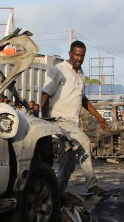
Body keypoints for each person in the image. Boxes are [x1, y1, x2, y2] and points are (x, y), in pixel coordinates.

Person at [41, 40, 108, 194]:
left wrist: (99, 117)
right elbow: (45, 95)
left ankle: (56, 193)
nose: (79, 58)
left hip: (73, 122)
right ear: (70, 53)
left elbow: (82, 99)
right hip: (59, 120)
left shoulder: (81, 73)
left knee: (68, 162)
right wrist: (45, 120)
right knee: (84, 141)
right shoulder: (58, 70)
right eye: (77, 55)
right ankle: (92, 185)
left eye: (82, 55)